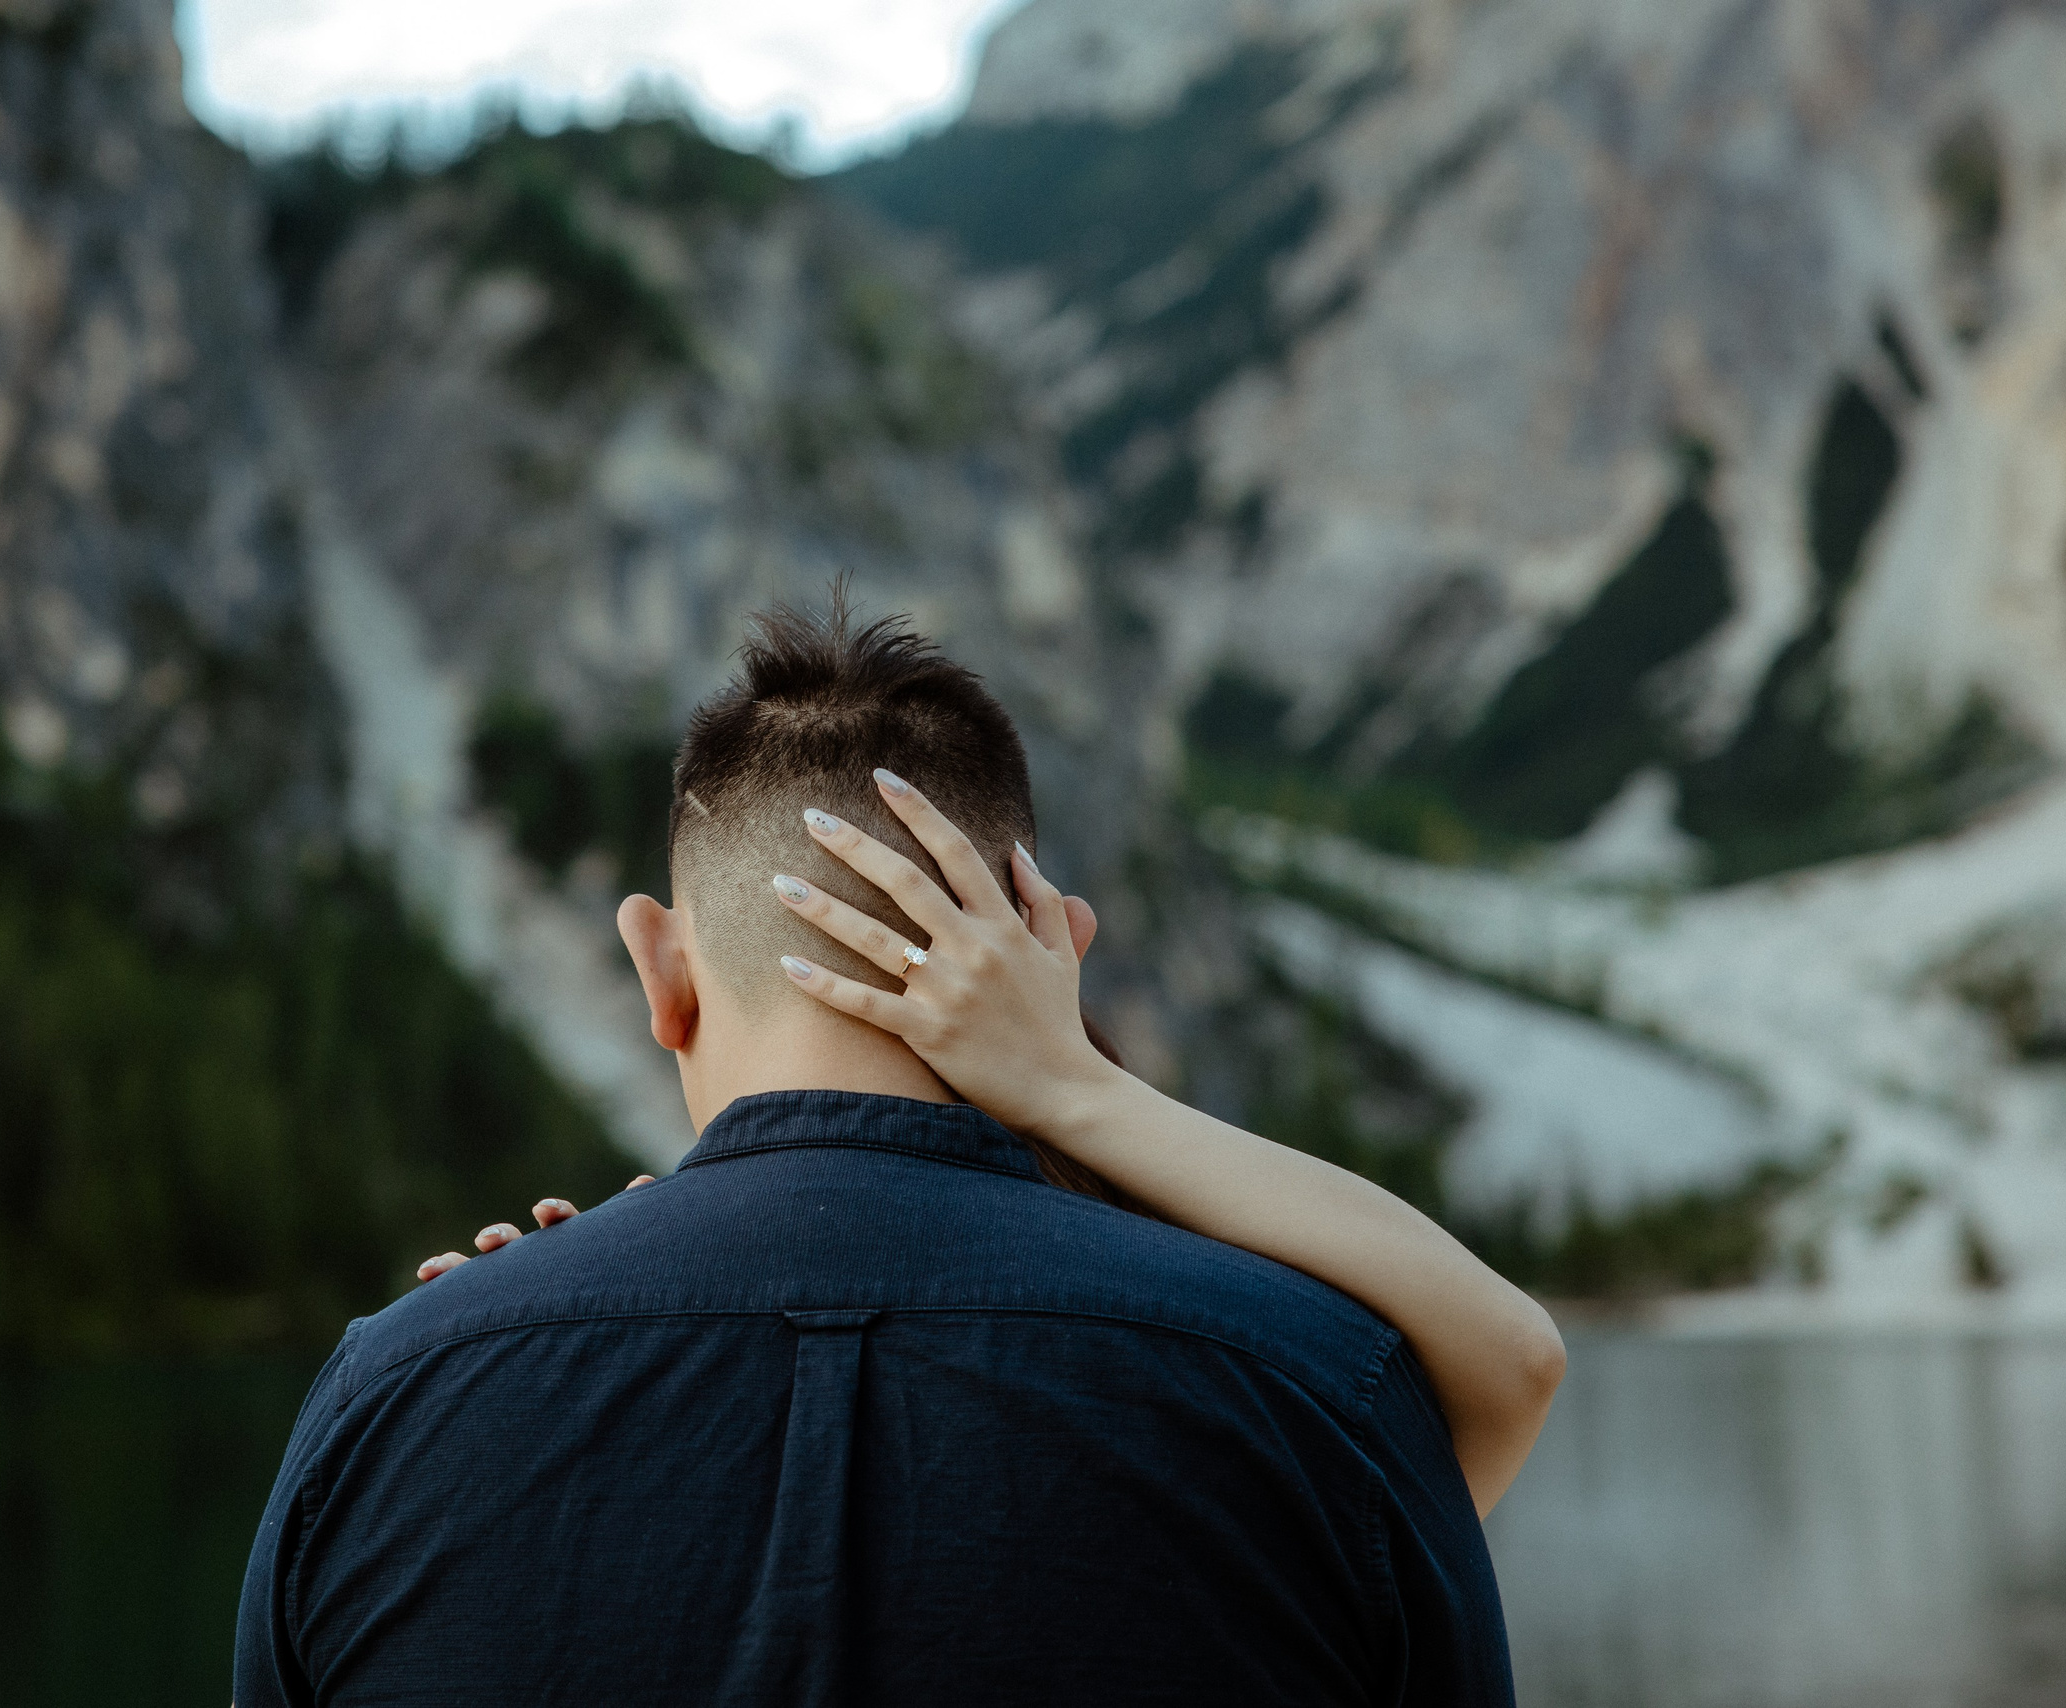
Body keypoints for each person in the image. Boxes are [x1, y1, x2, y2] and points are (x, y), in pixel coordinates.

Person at [234, 604, 1562, 1706]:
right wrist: (1076, 1086)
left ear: (662, 969)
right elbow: (1504, 1368)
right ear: (1053, 947)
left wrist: (491, 1342)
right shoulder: (1320, 1393)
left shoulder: (388, 1396)